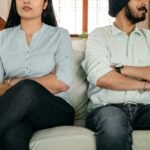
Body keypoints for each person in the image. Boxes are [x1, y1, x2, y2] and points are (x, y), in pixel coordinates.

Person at [0, 0, 75, 150]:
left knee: (28, 89)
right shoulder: (2, 38)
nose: (26, 1)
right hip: (16, 113)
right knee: (10, 135)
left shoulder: (60, 35)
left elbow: (62, 82)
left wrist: (10, 81)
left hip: (55, 108)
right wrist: (47, 79)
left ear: (45, 4)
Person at [82, 0, 150, 150]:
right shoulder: (99, 36)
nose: (145, 2)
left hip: (146, 109)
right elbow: (102, 78)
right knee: (114, 124)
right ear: (121, 3)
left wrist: (120, 69)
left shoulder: (149, 37)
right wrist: (145, 84)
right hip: (107, 109)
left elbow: (109, 74)